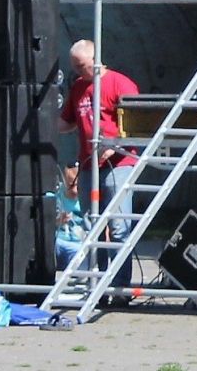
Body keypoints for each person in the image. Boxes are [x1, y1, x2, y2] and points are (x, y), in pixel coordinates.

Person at [58, 39, 140, 247]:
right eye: (74, 67)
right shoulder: (78, 87)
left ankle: (119, 280)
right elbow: (67, 122)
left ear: (96, 60)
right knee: (92, 226)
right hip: (88, 165)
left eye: (81, 66)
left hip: (118, 164)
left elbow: (138, 124)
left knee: (119, 227)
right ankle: (98, 275)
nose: (77, 71)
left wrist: (114, 147)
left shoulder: (120, 84)